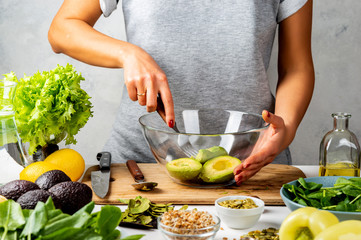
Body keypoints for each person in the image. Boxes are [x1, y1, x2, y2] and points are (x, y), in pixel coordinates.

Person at [48, 0, 314, 185]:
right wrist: (127, 54)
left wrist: (286, 128)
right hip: (140, 165)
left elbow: (296, 67)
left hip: (253, 163)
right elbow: (62, 28)